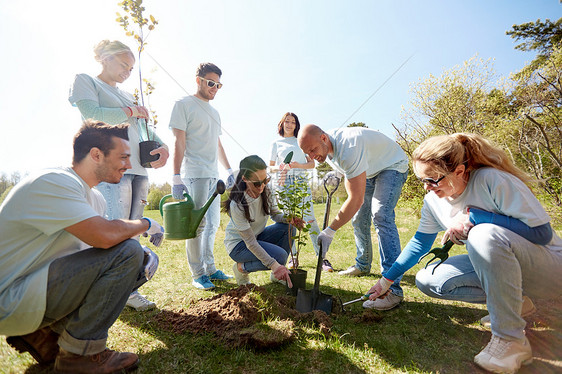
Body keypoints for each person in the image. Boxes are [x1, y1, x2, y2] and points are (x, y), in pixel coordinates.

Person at [363, 133, 562, 373]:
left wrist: (475, 218)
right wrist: (386, 280)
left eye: (433, 179)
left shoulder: (492, 180)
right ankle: (516, 304)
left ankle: (510, 340)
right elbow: (419, 243)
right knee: (429, 280)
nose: (427, 187)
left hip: (550, 269)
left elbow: (541, 233)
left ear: (459, 170)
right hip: (511, 270)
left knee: (483, 234)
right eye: (421, 180)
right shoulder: (433, 201)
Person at [1, 120, 165, 373]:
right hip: (9, 298)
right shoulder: (55, 181)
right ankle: (79, 356)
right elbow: (105, 236)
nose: (129, 165)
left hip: (31, 289)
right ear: (96, 155)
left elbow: (96, 248)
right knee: (128, 253)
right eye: (123, 156)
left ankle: (44, 335)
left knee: (133, 256)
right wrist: (145, 223)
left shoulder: (94, 196)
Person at [68, 39, 169, 311]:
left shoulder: (128, 96)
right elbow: (91, 115)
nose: (128, 70)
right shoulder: (86, 80)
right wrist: (130, 111)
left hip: (138, 168)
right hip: (113, 167)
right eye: (124, 64)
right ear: (104, 57)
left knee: (133, 229)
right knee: (114, 226)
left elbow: (144, 128)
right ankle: (104, 291)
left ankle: (128, 290)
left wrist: (162, 145)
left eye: (131, 66)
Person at [298, 124, 409, 310]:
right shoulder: (328, 148)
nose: (311, 157)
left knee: (380, 214)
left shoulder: (348, 148)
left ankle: (394, 290)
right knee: (358, 218)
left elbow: (355, 199)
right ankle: (363, 264)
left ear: (324, 139)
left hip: (392, 165)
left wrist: (330, 231)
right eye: (307, 153)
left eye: (313, 150)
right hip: (371, 169)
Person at [170, 62, 235, 290]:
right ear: (198, 80)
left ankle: (210, 268)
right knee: (198, 224)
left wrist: (228, 170)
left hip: (212, 175)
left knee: (213, 224)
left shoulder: (215, 113)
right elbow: (179, 141)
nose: (214, 88)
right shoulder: (183, 105)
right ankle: (198, 274)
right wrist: (176, 176)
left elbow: (217, 144)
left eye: (218, 85)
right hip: (194, 174)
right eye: (210, 83)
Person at [223, 155, 306, 287]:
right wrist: (274, 264)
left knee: (289, 228)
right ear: (244, 179)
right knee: (280, 256)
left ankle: (276, 276)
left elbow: (275, 215)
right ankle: (241, 268)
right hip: (239, 246)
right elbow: (250, 242)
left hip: (257, 236)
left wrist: (289, 219)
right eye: (256, 183)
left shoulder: (266, 191)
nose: (261, 186)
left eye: (265, 180)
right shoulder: (237, 205)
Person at [269, 112, 330, 271]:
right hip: (282, 183)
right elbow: (270, 167)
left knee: (309, 219)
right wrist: (282, 167)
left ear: (297, 125)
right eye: (287, 121)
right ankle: (293, 258)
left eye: (293, 122)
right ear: (282, 124)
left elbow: (312, 164)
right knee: (290, 222)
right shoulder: (276, 143)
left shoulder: (301, 142)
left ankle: (321, 258)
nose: (289, 124)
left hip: (300, 182)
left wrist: (297, 165)